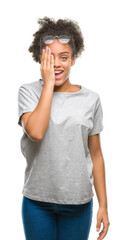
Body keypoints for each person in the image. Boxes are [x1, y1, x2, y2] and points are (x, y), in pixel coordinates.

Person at [18, 16, 110, 240]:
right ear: (41, 58)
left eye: (64, 57)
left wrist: (103, 206)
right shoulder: (28, 93)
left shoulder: (91, 99)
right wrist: (48, 83)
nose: (57, 64)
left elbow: (96, 155)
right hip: (37, 203)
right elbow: (37, 132)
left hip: (78, 203)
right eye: (51, 57)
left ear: (73, 59)